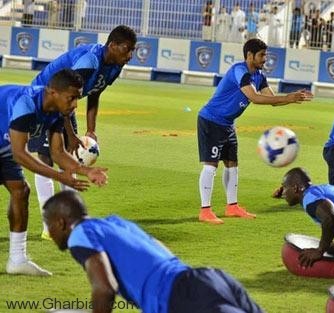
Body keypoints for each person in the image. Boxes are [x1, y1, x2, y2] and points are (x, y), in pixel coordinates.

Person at [42, 190, 264, 313]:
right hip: (209, 279)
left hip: (180, 299)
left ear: (61, 223)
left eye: (47, 224)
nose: (49, 232)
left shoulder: (80, 234)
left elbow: (105, 288)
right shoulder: (116, 223)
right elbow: (157, 245)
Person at [30, 25, 136, 239]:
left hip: (64, 105)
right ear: (112, 45)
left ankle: (70, 221)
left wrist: (90, 130)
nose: (130, 55)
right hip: (44, 100)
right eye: (127, 49)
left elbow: (95, 94)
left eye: (133, 50)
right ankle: (49, 225)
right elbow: (64, 94)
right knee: (46, 161)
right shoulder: (89, 61)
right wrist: (70, 134)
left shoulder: (114, 65)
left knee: (68, 161)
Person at [1, 69, 108, 276]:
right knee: (20, 187)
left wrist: (87, 171)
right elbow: (19, 154)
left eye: (77, 97)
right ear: (53, 93)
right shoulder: (26, 104)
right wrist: (60, 176)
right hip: (9, 148)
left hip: (3, 147)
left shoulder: (58, 111)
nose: (76, 104)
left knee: (21, 191)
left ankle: (17, 259)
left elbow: (58, 153)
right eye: (72, 98)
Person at [197, 38, 313, 224]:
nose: (264, 59)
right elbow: (255, 98)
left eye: (265, 55)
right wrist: (288, 97)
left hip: (227, 124)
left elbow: (271, 99)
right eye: (261, 55)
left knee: (232, 165)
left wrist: (291, 98)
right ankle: (205, 210)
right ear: (249, 55)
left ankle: (232, 206)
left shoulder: (259, 76)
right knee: (211, 165)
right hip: (211, 121)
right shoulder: (240, 71)